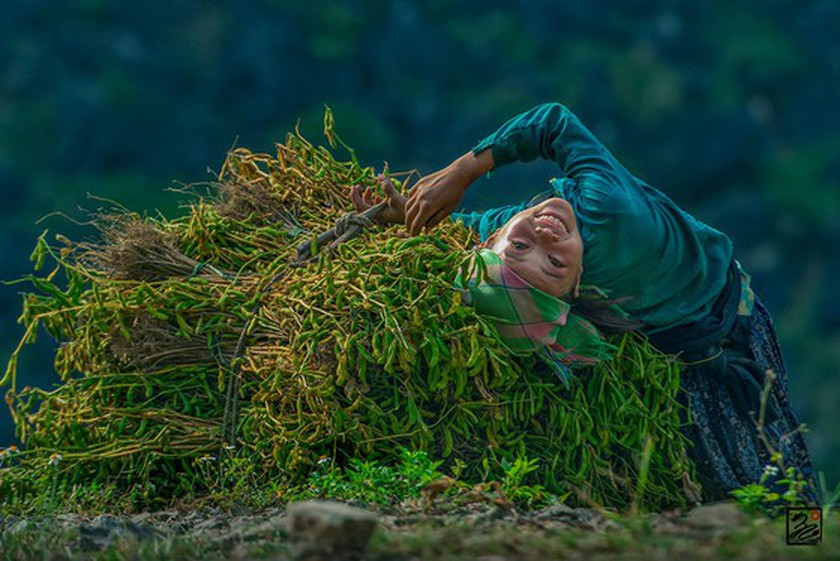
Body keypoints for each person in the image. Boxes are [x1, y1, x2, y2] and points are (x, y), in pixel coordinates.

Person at [349, 102, 820, 507]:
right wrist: (412, 210)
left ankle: (810, 542)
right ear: (574, 292)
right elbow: (486, 236)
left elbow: (554, 121)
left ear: (495, 237)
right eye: (553, 263)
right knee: (734, 474)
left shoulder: (601, 210)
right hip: (679, 335)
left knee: (776, 472)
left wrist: (459, 172)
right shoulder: (569, 226)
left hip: (723, 318)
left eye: (518, 246)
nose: (543, 235)